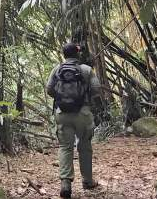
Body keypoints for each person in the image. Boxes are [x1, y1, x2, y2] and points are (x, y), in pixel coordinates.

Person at [46, 42, 101, 198]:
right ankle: (88, 181)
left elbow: (49, 89)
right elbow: (96, 89)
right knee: (84, 146)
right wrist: (84, 97)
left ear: (64, 55)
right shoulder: (86, 70)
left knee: (65, 147)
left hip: (62, 113)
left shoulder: (57, 70)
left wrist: (62, 99)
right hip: (83, 113)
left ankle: (65, 184)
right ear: (77, 55)